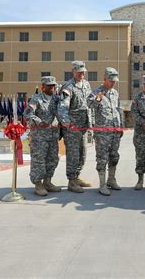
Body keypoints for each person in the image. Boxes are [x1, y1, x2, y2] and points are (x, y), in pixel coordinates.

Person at [57, 60, 93, 193]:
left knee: (82, 153)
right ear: (73, 71)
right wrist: (67, 123)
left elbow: (88, 102)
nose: (81, 74)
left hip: (83, 126)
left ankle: (76, 177)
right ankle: (71, 181)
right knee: (73, 154)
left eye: (83, 72)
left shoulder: (86, 85)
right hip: (72, 128)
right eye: (79, 72)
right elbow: (62, 107)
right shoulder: (68, 87)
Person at [87, 67, 124, 196]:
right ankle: (102, 184)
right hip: (102, 133)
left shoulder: (115, 93)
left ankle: (111, 180)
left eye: (114, 81)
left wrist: (121, 127)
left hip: (115, 131)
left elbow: (119, 110)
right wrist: (97, 100)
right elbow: (89, 104)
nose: (113, 83)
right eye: (111, 81)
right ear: (104, 79)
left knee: (114, 156)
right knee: (102, 158)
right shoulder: (97, 92)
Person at [24, 76, 61, 196]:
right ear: (43, 87)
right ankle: (38, 184)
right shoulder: (37, 99)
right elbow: (27, 114)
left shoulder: (57, 99)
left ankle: (48, 182)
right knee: (39, 160)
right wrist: (40, 122)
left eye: (53, 85)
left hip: (53, 135)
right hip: (40, 136)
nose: (52, 87)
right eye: (49, 85)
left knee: (53, 159)